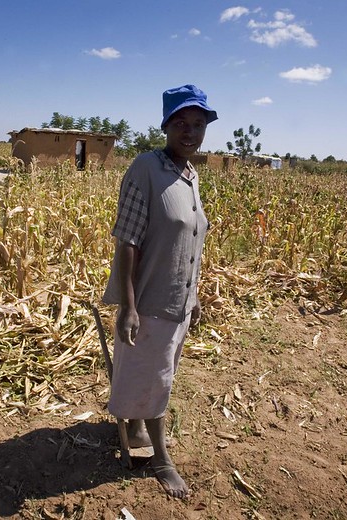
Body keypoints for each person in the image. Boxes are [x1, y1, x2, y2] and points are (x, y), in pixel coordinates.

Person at [102, 84, 217, 498]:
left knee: (154, 374)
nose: (190, 132)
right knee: (157, 379)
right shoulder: (145, 169)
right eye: (182, 123)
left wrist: (195, 295)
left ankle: (135, 426)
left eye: (198, 125)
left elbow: (188, 241)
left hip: (179, 301)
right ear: (166, 125)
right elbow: (128, 241)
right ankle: (162, 460)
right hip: (150, 301)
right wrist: (128, 307)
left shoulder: (190, 175)